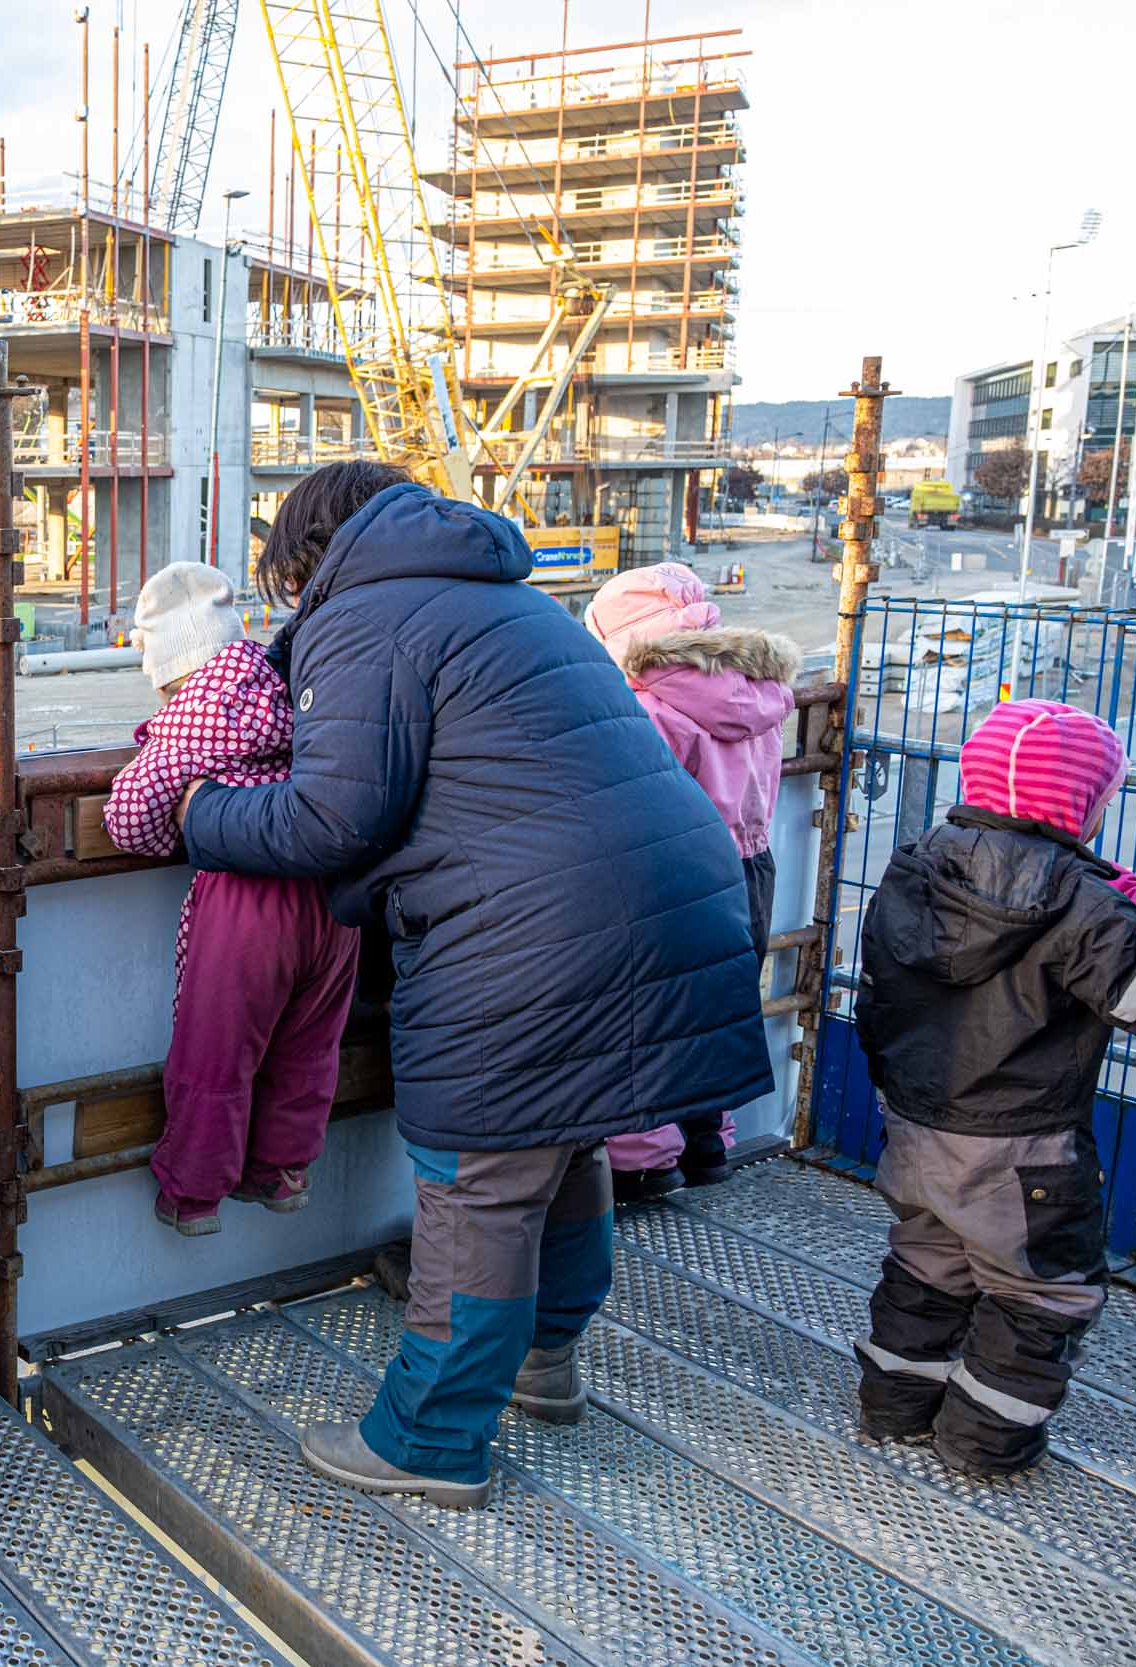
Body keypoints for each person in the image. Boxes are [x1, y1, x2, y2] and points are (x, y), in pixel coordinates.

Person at [176, 463, 769, 1508]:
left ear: (311, 552)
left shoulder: (365, 614)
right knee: (569, 1130)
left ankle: (429, 1436)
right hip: (674, 890)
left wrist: (199, 812)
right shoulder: (505, 596)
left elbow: (331, 818)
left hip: (540, 929)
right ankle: (544, 1360)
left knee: (477, 1179)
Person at [856, 698, 1136, 1477]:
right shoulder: (1083, 900)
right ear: (1084, 805)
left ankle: (893, 1408)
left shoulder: (915, 863)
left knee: (929, 1261)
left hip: (915, 1122)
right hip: (1025, 1143)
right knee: (1038, 1294)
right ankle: (982, 1446)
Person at [102, 562, 362, 1236]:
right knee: (309, 1045)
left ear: (165, 672)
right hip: (330, 893)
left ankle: (194, 1195)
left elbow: (127, 817)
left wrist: (183, 822)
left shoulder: (189, 720)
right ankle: (280, 1171)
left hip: (248, 902)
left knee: (214, 1053)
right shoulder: (290, 684)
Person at [583, 561, 802, 1200]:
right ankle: (708, 1142)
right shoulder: (752, 691)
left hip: (676, 875)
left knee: (646, 1014)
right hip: (749, 867)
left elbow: (632, 802)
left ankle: (645, 1159)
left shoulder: (646, 707)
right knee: (720, 1008)